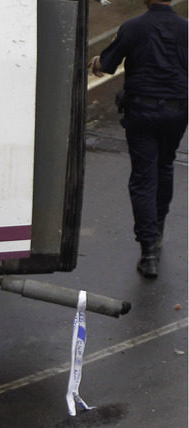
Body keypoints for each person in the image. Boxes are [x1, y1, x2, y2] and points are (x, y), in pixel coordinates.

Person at [89, 0, 187, 279]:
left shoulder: (133, 27)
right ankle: (158, 231)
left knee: (144, 177)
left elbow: (106, 65)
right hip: (177, 111)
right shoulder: (186, 28)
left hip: (141, 111)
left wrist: (95, 61)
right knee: (165, 167)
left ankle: (149, 252)